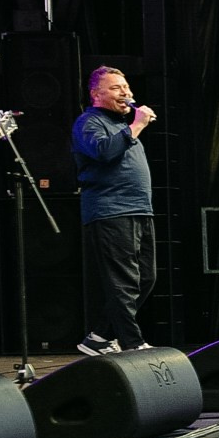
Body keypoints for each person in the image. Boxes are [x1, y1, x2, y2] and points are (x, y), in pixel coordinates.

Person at [71, 65, 158, 356]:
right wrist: (137, 126)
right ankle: (133, 343)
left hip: (139, 210)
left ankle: (99, 338)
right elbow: (103, 151)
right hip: (111, 211)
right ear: (96, 94)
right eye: (116, 88)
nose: (126, 93)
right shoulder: (89, 122)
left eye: (127, 87)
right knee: (124, 283)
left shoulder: (122, 126)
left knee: (145, 278)